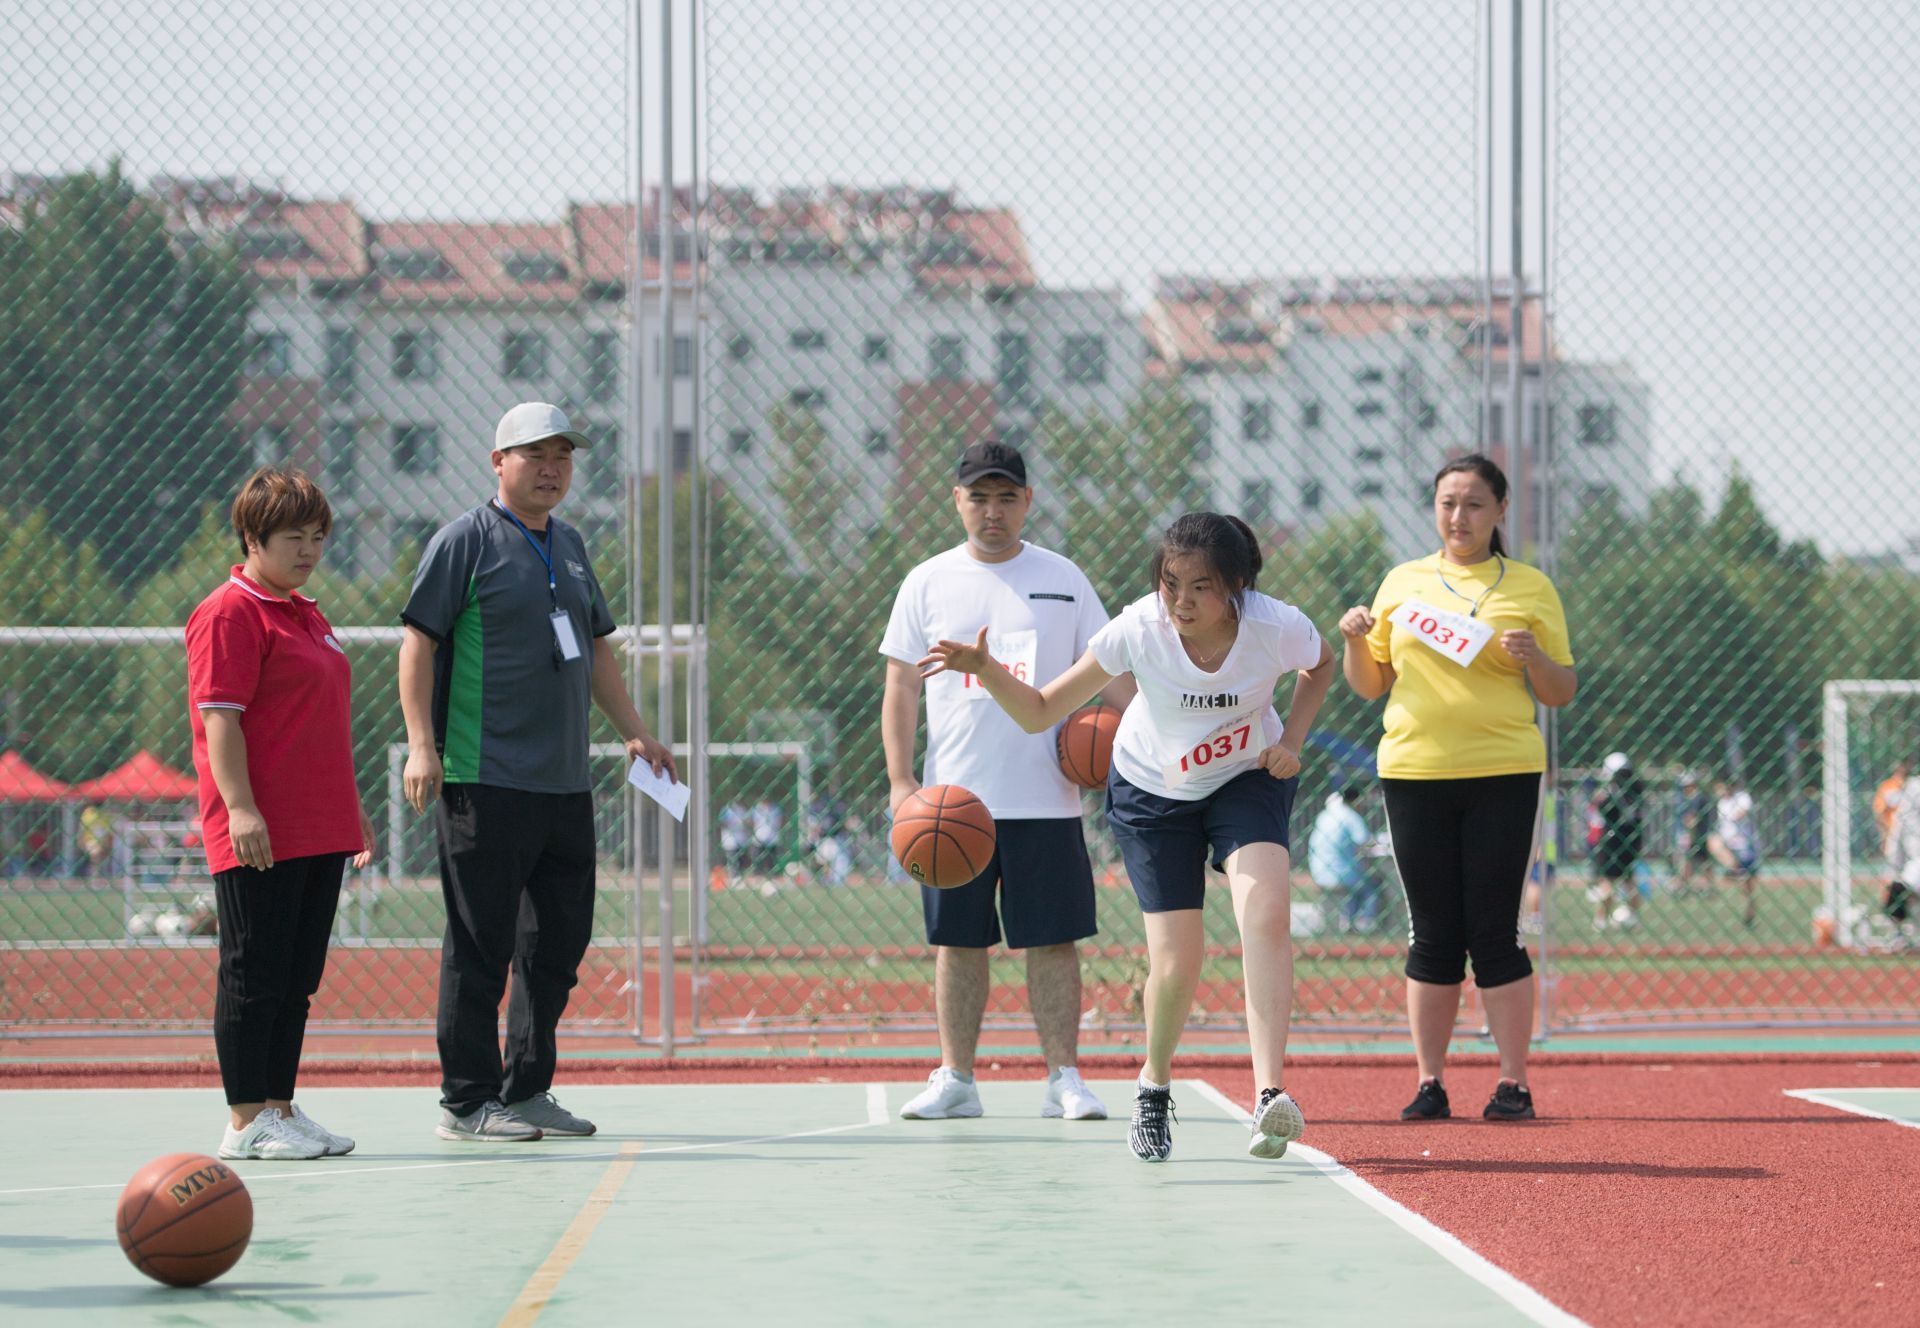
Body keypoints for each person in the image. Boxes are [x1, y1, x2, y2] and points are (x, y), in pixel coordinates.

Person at [923, 510, 1333, 1163]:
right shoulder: (1139, 629)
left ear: (1236, 586)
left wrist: (1291, 740)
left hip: (1243, 777)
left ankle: (1268, 1096)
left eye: (1200, 586)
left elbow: (1321, 664)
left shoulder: (1275, 626)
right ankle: (1154, 1085)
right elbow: (1040, 711)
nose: (1181, 600)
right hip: (1151, 791)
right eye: (1172, 582)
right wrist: (986, 667)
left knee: (1267, 910)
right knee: (1177, 959)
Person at [399, 402, 675, 1143]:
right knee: (480, 945)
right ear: (498, 462)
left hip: (563, 785)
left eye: (563, 455)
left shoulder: (574, 545)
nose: (552, 467)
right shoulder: (464, 540)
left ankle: (526, 1089)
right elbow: (419, 643)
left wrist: (637, 733)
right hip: (483, 778)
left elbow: (598, 651)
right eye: (534, 454)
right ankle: (467, 1101)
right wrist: (421, 744)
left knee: (557, 944)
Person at [880, 439, 1135, 1125]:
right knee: (957, 944)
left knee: (1053, 942)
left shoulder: (1064, 577)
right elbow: (901, 687)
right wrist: (902, 780)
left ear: (1027, 501)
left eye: (1005, 497)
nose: (992, 511)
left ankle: (1064, 1078)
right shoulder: (927, 582)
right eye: (978, 497)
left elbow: (1113, 677)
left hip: (1046, 798)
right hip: (952, 802)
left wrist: (1149, 741)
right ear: (957, 501)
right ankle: (957, 1077)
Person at [1338, 453, 1576, 1124]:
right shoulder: (1402, 583)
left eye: (1474, 504)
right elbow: (1370, 682)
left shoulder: (1529, 587)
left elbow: (1561, 690)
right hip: (1415, 772)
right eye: (1447, 502)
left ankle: (1513, 1083)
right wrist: (1356, 638)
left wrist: (1535, 658)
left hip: (1503, 771)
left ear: (1500, 512)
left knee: (1495, 931)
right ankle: (1430, 1082)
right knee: (1433, 933)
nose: (1458, 516)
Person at [185, 467, 374, 1160]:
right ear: (252, 537)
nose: (309, 549)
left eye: (318, 536)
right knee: (253, 971)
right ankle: (243, 1121)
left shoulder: (307, 612)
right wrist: (240, 808)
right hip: (261, 826)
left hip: (320, 824)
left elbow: (320, 723)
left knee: (297, 978)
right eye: (293, 536)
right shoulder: (230, 612)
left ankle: (279, 1106)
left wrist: (352, 812)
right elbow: (220, 722)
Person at [1588, 752, 1645, 930]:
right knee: (1629, 880)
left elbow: (1598, 806)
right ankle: (1632, 917)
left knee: (1607, 881)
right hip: (1632, 838)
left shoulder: (1610, 792)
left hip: (1612, 840)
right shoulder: (1637, 788)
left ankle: (1601, 920)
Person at [1309, 787, 1376, 932]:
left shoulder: (1324, 815)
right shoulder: (1351, 816)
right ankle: (1363, 922)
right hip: (1342, 873)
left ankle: (1347, 920)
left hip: (1318, 872)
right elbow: (1365, 840)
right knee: (1372, 886)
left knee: (1358, 883)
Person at [1708, 774, 1760, 928]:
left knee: (1748, 888)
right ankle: (1734, 868)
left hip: (1745, 845)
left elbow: (1742, 813)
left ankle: (1749, 916)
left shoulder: (1742, 797)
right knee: (1713, 841)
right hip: (1729, 845)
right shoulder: (1721, 803)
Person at [1875, 760, 1911, 920]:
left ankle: (1905, 913)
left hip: (1913, 839)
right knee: (1891, 875)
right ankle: (1891, 913)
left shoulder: (1913, 785)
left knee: (1909, 876)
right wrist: (1884, 836)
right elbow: (1880, 813)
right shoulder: (1888, 786)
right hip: (1894, 835)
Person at [1672, 771, 1716, 897]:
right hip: (1693, 836)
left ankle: (1687, 886)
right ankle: (1684, 885)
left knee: (1699, 862)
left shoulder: (1698, 798)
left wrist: (1689, 834)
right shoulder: (1687, 798)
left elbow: (1692, 819)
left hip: (1697, 836)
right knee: (1691, 861)